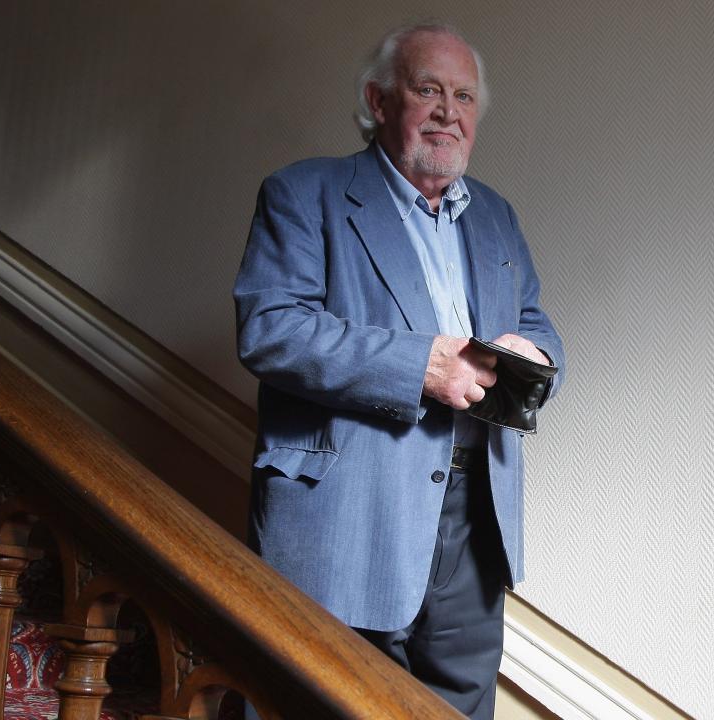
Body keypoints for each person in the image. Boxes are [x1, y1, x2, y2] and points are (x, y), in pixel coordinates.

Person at [234, 23, 564, 719]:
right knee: (317, 701)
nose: (449, 111)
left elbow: (535, 323)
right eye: (428, 90)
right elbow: (272, 330)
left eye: (464, 96)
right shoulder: (304, 193)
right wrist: (422, 367)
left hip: (476, 522)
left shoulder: (499, 218)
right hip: (346, 513)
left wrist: (539, 360)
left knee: (453, 710)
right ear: (379, 102)